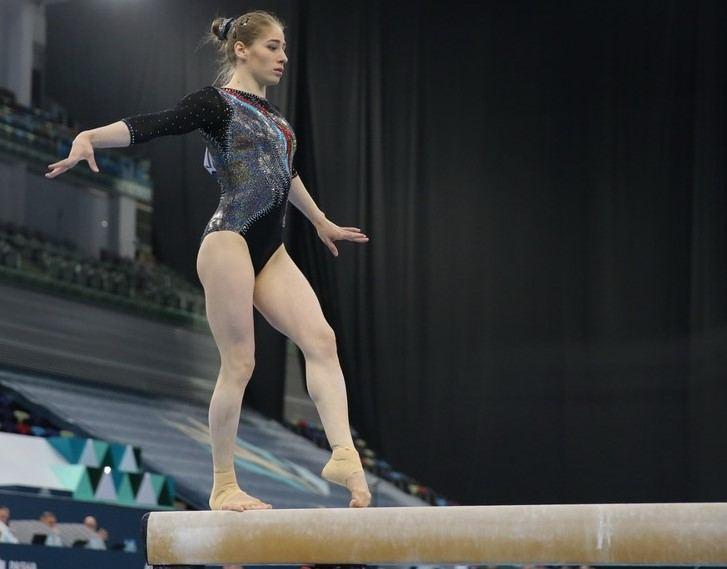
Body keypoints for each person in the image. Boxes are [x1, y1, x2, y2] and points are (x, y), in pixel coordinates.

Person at [45, 10, 372, 511]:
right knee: (241, 362)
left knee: (321, 339)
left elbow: (286, 174)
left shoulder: (280, 121)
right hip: (229, 240)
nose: (283, 57)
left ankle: (344, 454)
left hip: (271, 248)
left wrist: (321, 220)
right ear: (242, 49)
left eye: (284, 48)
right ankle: (223, 485)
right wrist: (90, 136)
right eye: (272, 46)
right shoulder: (214, 104)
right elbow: (152, 125)